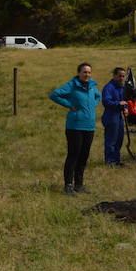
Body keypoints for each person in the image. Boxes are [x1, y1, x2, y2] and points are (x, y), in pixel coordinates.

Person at [49, 62, 102, 195]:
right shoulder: (72, 85)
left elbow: (99, 96)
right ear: (79, 73)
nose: (87, 74)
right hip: (75, 127)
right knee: (73, 155)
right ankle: (68, 186)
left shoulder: (92, 86)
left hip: (89, 127)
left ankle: (79, 184)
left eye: (89, 72)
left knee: (84, 156)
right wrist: (69, 104)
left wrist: (93, 105)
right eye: (84, 72)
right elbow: (54, 95)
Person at [101, 67, 128, 166]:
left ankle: (117, 160)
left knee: (119, 139)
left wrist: (125, 108)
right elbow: (106, 102)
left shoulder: (121, 87)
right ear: (114, 75)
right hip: (110, 115)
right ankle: (109, 161)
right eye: (119, 76)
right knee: (111, 139)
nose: (121, 78)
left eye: (123, 76)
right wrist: (118, 103)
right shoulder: (109, 87)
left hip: (119, 116)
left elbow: (124, 101)